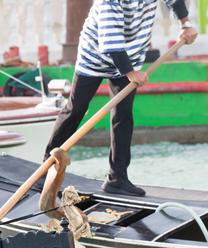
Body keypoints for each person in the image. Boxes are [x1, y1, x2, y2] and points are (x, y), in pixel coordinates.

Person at [43, 0, 198, 197]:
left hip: (130, 54)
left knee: (123, 115)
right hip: (95, 55)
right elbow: (110, 41)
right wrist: (131, 73)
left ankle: (117, 178)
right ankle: (46, 169)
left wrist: (185, 23)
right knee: (76, 110)